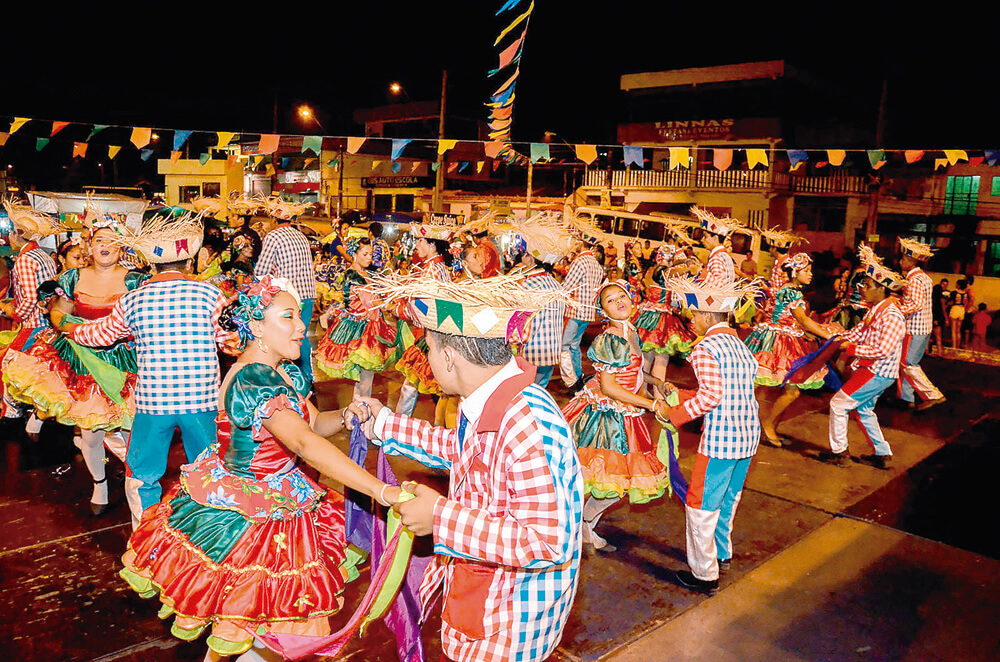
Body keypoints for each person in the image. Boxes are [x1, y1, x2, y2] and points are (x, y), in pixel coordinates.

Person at [119, 275, 402, 660]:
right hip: (252, 515)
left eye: (299, 316)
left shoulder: (278, 371)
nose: (302, 325)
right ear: (255, 326)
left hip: (283, 497)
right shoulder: (254, 378)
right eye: (288, 316)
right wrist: (381, 491)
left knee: (264, 629)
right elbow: (303, 442)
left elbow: (313, 424)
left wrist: (347, 416)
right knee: (254, 623)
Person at [353, 272, 583, 662]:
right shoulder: (492, 397)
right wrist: (386, 424)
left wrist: (439, 517)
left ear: (449, 356)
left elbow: (547, 541)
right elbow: (467, 452)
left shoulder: (527, 421)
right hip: (484, 596)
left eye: (427, 348)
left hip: (509, 625)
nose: (426, 359)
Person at [57, 213, 237, 527]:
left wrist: (70, 330)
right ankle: (208, 531)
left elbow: (101, 335)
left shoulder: (133, 300)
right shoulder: (211, 295)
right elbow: (230, 342)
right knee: (208, 469)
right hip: (203, 402)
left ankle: (145, 535)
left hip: (154, 403)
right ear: (189, 263)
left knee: (142, 474)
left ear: (151, 266)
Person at [3, 224, 149, 515]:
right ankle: (100, 485)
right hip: (82, 363)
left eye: (111, 240)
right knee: (91, 433)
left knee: (134, 432)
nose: (104, 245)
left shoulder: (136, 281)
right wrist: (67, 325)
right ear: (89, 246)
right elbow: (59, 312)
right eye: (98, 240)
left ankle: (139, 489)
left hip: (127, 364)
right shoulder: (72, 277)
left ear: (122, 247)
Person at [661, 276, 761, 595]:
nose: (691, 321)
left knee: (701, 505)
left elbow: (712, 397)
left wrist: (672, 412)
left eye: (693, 315)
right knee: (728, 500)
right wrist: (683, 393)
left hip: (720, 442)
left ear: (706, 316)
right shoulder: (740, 345)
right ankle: (722, 552)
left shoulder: (705, 347)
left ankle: (705, 574)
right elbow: (728, 390)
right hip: (747, 438)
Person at [562, 280, 671, 552]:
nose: (618, 301)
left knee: (612, 483)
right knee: (607, 481)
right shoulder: (610, 337)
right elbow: (610, 387)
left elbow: (632, 372)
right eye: (610, 300)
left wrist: (656, 381)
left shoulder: (631, 331)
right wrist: (650, 404)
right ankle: (582, 524)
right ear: (603, 310)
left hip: (623, 412)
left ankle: (584, 526)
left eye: (621, 295)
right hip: (604, 416)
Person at [819, 245, 906, 471]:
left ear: (880, 288)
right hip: (874, 370)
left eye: (867, 285)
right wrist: (833, 336)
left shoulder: (892, 315)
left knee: (838, 404)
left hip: (877, 371)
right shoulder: (875, 310)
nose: (862, 289)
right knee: (864, 410)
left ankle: (840, 452)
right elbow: (857, 333)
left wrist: (850, 349)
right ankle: (883, 454)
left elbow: (883, 350)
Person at [744, 253, 837, 446]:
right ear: (795, 272)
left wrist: (811, 333)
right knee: (779, 389)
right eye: (806, 271)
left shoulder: (791, 289)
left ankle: (766, 427)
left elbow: (796, 321)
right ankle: (765, 427)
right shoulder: (792, 292)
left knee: (762, 386)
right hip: (777, 341)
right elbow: (803, 319)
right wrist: (827, 335)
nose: (811, 274)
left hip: (780, 337)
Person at [315, 238, 400, 399]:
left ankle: (360, 413)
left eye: (371, 254)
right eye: (365, 254)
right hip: (361, 330)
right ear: (354, 255)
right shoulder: (354, 276)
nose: (370, 258)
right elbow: (371, 303)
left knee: (364, 380)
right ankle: (360, 414)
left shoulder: (365, 273)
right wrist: (394, 307)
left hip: (368, 325)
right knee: (364, 380)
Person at [394, 219, 455, 418]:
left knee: (412, 386)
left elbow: (424, 309)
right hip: (439, 335)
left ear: (432, 244)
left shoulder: (431, 271)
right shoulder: (439, 268)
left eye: (420, 241)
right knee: (430, 387)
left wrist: (398, 309)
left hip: (433, 337)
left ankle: (398, 426)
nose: (416, 245)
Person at [253, 197, 317, 385]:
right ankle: (307, 376)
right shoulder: (301, 235)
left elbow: (260, 271)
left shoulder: (273, 237)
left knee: (283, 337)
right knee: (300, 335)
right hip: (308, 294)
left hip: (289, 297)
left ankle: (290, 380)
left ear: (274, 219)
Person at [896, 238, 946, 411]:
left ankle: (933, 395)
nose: (900, 262)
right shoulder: (924, 277)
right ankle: (906, 398)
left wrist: (898, 309)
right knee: (910, 363)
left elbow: (915, 304)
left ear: (911, 261)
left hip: (914, 327)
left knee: (907, 363)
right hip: (924, 327)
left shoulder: (914, 280)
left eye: (902, 259)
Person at [559, 242, 605, 390]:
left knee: (564, 346)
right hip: (587, 314)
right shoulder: (597, 265)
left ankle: (572, 381)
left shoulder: (580, 262)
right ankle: (578, 375)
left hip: (574, 311)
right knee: (574, 345)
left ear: (581, 244)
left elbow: (567, 286)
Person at [692, 207, 740, 287]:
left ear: (715, 238)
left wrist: (700, 272)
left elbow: (720, 285)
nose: (702, 240)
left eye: (705, 236)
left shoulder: (717, 257)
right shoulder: (725, 256)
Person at [948, 279, 970, 349]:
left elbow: (950, 302)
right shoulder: (966, 293)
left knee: (953, 329)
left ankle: (954, 346)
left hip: (955, 308)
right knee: (959, 330)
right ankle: (958, 345)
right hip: (962, 309)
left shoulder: (954, 293)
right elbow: (967, 302)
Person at [930, 277, 949, 355]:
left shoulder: (931, 299)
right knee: (938, 336)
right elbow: (943, 309)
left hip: (931, 317)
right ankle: (939, 352)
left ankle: (927, 351)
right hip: (938, 317)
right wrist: (946, 319)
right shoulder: (941, 299)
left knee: (928, 336)